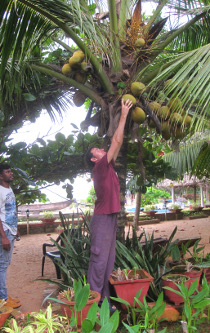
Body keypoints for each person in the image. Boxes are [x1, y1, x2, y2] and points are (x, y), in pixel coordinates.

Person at [85, 98, 133, 308]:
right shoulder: (100, 168)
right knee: (99, 262)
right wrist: (123, 114)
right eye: (97, 151)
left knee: (107, 262)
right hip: (103, 219)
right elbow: (116, 141)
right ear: (95, 160)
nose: (102, 150)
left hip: (110, 217)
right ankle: (91, 304)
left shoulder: (109, 168)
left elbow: (113, 145)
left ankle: (103, 300)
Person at [0, 163, 21, 308]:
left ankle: (2, 295)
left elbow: (10, 211)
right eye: (7, 172)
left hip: (10, 230)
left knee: (5, 263)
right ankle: (3, 299)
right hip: (3, 232)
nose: (11, 173)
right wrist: (3, 236)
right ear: (0, 176)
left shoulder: (9, 189)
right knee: (2, 264)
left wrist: (16, 228)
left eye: (10, 171)